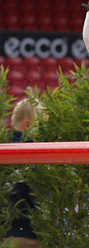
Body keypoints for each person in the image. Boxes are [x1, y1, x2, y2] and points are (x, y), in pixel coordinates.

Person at [4, 98, 41, 248]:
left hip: (5, 234)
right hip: (30, 235)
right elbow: (38, 198)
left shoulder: (3, 147)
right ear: (28, 124)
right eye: (41, 125)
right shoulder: (35, 155)